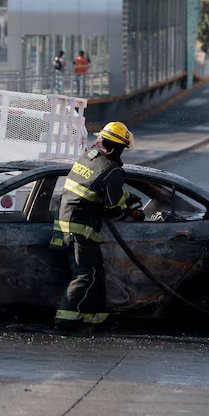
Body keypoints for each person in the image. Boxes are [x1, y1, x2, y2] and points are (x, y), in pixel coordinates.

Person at [53, 121, 137, 332]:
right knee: (85, 274)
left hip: (65, 224)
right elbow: (113, 208)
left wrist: (126, 196)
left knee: (95, 273)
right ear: (117, 148)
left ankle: (96, 318)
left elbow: (93, 189)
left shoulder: (87, 157)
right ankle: (66, 320)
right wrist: (128, 208)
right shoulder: (112, 170)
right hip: (79, 230)